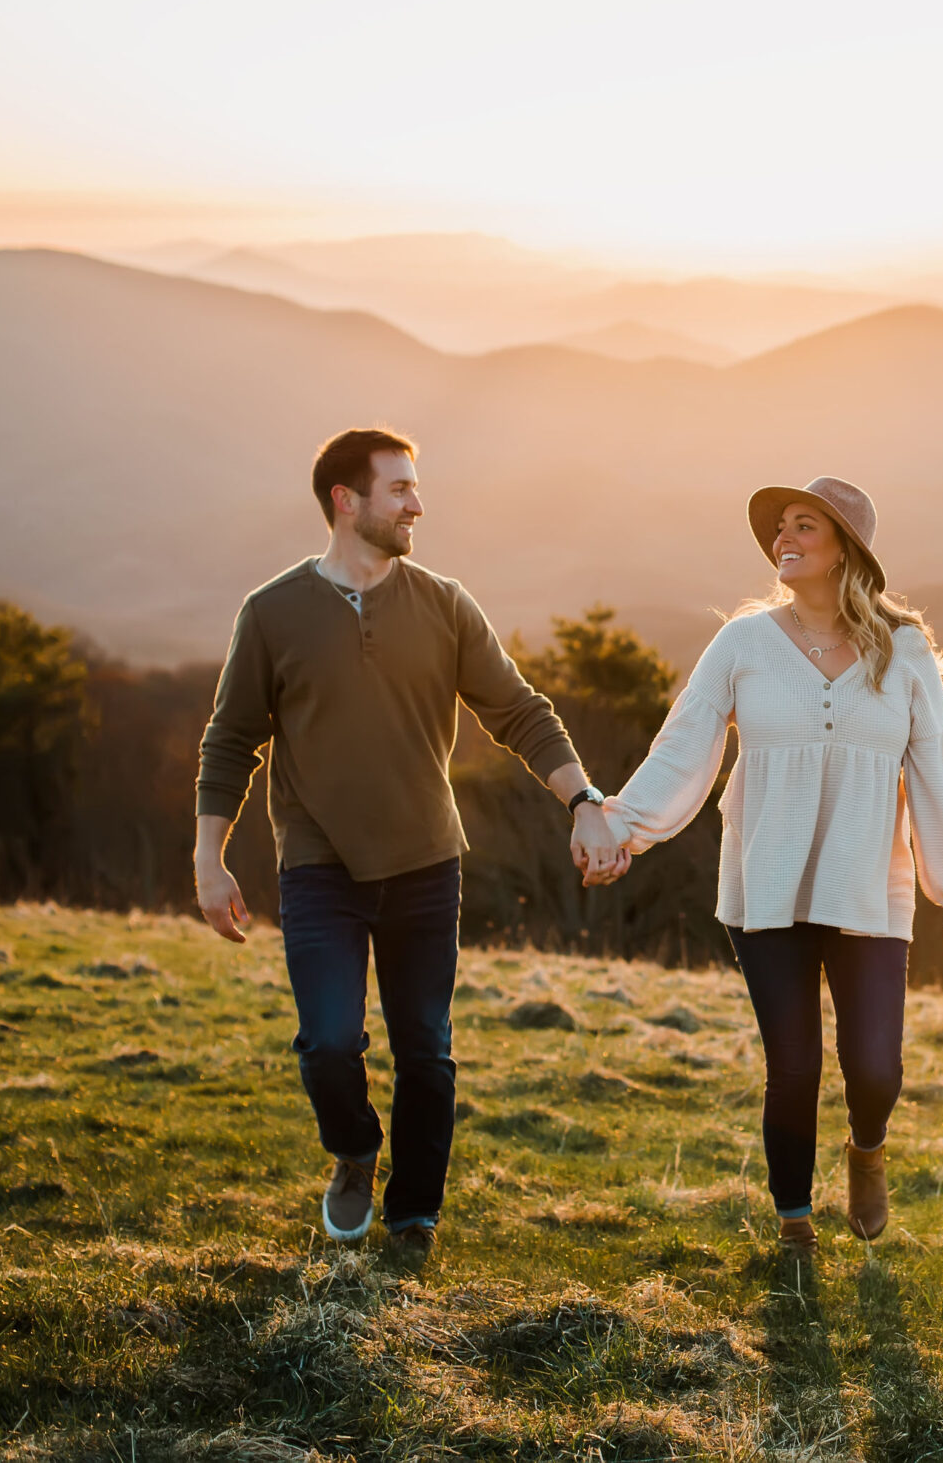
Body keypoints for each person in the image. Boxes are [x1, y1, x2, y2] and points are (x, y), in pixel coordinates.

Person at [192, 427, 624, 1258]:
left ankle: (414, 1215)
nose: (417, 503)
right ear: (345, 502)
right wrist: (209, 857)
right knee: (327, 1042)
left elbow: (519, 711)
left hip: (428, 861)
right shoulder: (272, 613)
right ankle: (355, 1151)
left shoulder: (445, 603)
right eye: (399, 489)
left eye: (415, 488)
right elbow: (229, 739)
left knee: (425, 1049)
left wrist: (584, 800)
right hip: (320, 865)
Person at [593, 475, 943, 1252]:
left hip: (872, 888)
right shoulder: (742, 643)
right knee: (796, 1064)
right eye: (781, 526)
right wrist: (620, 826)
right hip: (768, 883)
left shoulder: (902, 651)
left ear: (847, 548)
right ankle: (794, 1218)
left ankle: (866, 1150)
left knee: (874, 1067)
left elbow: (938, 772)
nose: (785, 537)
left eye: (805, 526)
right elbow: (687, 741)